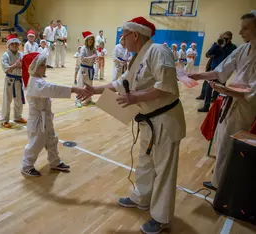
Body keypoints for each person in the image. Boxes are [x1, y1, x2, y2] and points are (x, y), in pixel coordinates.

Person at [81, 17, 186, 234]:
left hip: (166, 120)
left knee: (164, 169)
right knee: (145, 161)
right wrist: (96, 90)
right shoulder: (139, 56)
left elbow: (167, 87)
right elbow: (122, 83)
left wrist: (135, 98)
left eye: (124, 35)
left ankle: (161, 217)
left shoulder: (158, 51)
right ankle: (141, 197)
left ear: (136, 35)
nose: (122, 39)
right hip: (149, 121)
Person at [189, 13, 256, 191]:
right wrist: (198, 75)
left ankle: (225, 185)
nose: (240, 31)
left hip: (244, 106)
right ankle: (220, 180)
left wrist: (226, 90)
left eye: (246, 27)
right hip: (230, 100)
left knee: (231, 145)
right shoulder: (243, 49)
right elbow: (221, 70)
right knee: (222, 140)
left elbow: (253, 91)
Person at [20, 53, 91, 177]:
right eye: (42, 65)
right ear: (34, 67)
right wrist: (74, 89)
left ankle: (54, 161)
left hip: (45, 117)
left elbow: (50, 87)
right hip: (37, 121)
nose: (45, 67)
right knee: (36, 143)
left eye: (44, 64)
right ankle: (26, 166)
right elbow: (52, 88)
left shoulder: (39, 80)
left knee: (52, 139)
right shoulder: (35, 82)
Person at [198, 32, 237, 112]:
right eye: (224, 38)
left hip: (224, 71)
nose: (226, 40)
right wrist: (218, 45)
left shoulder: (233, 47)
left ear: (230, 39)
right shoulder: (217, 45)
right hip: (213, 69)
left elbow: (234, 58)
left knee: (219, 89)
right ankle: (206, 106)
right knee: (209, 88)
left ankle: (216, 108)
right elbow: (208, 54)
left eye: (227, 38)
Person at [1, 34, 27, 128]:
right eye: (13, 44)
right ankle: (4, 120)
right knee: (7, 100)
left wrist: (22, 66)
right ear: (8, 45)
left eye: (17, 44)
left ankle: (17, 116)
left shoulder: (21, 54)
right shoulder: (6, 55)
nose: (15, 46)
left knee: (19, 100)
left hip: (19, 80)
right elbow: (6, 69)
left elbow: (25, 66)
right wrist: (15, 65)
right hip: (10, 80)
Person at [76, 31, 97, 108]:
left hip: (90, 69)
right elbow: (82, 59)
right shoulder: (83, 48)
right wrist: (92, 57)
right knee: (81, 84)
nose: (90, 41)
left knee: (89, 85)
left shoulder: (93, 49)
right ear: (86, 40)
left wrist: (95, 59)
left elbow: (95, 57)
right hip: (84, 69)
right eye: (89, 39)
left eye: (92, 39)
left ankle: (88, 100)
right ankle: (78, 100)